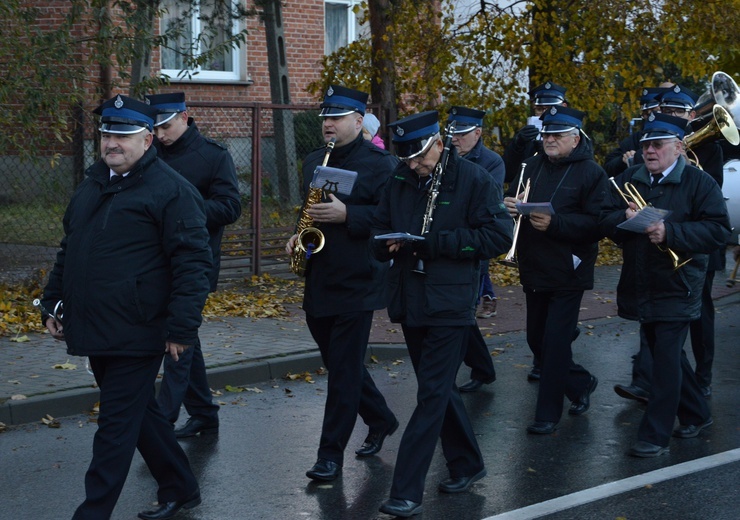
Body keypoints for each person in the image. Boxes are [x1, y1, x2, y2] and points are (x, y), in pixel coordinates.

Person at [40, 94, 212, 519]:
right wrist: (52, 303)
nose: (111, 142)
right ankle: (181, 485)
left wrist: (181, 329)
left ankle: (92, 513)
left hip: (139, 330)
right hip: (96, 325)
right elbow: (70, 249)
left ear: (148, 139)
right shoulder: (94, 183)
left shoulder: (171, 191)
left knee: (115, 428)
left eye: (123, 134)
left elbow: (194, 262)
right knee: (142, 415)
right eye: (106, 133)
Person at [371, 111, 513, 517]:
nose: (413, 165)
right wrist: (383, 246)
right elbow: (378, 227)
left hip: (451, 302)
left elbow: (498, 237)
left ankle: (407, 490)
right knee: (439, 388)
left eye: (419, 156)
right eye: (407, 158)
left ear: (438, 143)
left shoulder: (473, 178)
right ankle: (468, 463)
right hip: (410, 298)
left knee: (431, 394)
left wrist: (436, 243)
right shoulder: (400, 178)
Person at [285, 85, 399, 482]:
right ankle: (381, 418)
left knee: (343, 371)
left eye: (336, 118)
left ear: (358, 118)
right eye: (324, 119)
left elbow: (390, 219)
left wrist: (349, 214)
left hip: (359, 279)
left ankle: (330, 455)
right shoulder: (315, 159)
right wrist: (297, 234)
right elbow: (309, 207)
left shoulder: (380, 164)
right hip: (320, 275)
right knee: (339, 364)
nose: (328, 125)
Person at [600, 113, 730, 457]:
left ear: (678, 147)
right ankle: (697, 413)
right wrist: (622, 220)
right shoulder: (630, 178)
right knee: (663, 354)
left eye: (658, 145)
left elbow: (719, 231)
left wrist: (669, 232)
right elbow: (604, 219)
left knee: (665, 359)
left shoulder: (700, 183)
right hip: (641, 282)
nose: (649, 151)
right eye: (645, 145)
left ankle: (655, 434)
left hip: (679, 282)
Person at [613, 85, 725, 403]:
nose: (668, 115)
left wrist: (682, 164)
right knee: (661, 330)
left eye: (676, 112)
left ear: (689, 116)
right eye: (665, 110)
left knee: (699, 317)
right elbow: (612, 176)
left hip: (693, 248)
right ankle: (648, 379)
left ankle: (701, 379)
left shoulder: (709, 146)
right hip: (654, 250)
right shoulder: (649, 146)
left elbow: (713, 192)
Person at [502, 106, 607, 435]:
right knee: (537, 341)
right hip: (535, 266)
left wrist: (556, 223)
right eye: (546, 134)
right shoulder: (531, 165)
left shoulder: (591, 173)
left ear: (575, 139)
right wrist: (512, 207)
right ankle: (579, 383)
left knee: (556, 343)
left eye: (557, 135)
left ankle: (547, 413)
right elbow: (521, 204)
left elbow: (599, 224)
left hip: (568, 270)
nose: (549, 139)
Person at [144, 92, 242, 438]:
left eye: (166, 126)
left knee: (178, 339)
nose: (160, 134)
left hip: (194, 262)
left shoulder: (213, 156)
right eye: (154, 128)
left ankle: (162, 421)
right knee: (183, 336)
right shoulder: (149, 153)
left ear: (185, 116)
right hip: (153, 262)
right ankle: (203, 413)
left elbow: (230, 207)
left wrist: (187, 209)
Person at [445, 106, 505, 393]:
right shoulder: (444, 155)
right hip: (447, 240)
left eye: (462, 133)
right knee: (462, 312)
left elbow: (483, 201)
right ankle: (483, 368)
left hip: (472, 241)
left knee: (462, 310)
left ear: (478, 133)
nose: (455, 138)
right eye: (452, 132)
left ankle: (446, 380)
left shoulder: (492, 161)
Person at [503, 81, 567, 183]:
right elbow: (508, 175)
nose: (544, 114)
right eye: (539, 109)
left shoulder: (576, 136)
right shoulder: (527, 135)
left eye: (550, 108)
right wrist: (517, 145)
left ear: (563, 106)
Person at [603, 87, 666, 177]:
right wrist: (623, 160)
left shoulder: (682, 133)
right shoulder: (636, 138)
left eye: (655, 112)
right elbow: (608, 167)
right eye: (646, 114)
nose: (651, 117)